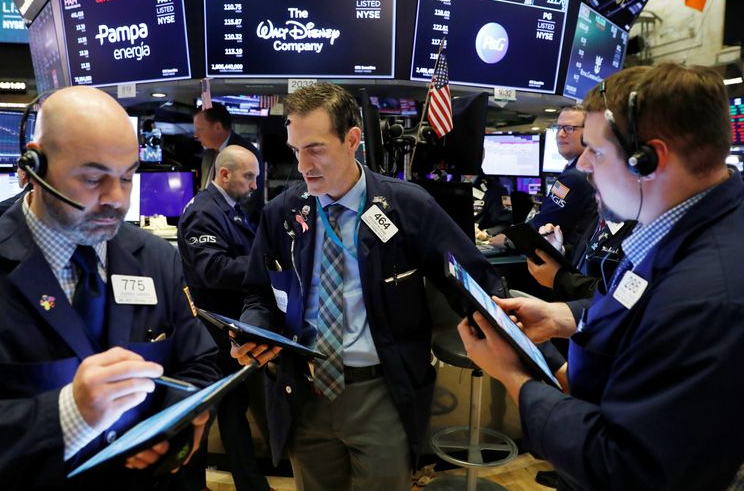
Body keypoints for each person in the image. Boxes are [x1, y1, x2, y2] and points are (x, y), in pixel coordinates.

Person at [458, 63, 744, 490]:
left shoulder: (707, 298)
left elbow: (626, 466)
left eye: (596, 150)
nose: (584, 164)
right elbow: (639, 302)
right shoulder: (677, 224)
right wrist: (564, 317)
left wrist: (514, 377)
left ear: (649, 159)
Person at [0, 86, 222, 491]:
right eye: (93, 178)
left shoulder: (157, 259)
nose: (116, 199)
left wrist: (178, 420)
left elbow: (198, 363)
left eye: (127, 177)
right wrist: (67, 415)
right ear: (35, 163)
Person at [230, 82, 504, 490]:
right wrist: (251, 328)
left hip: (381, 394)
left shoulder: (407, 205)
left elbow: (475, 282)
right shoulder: (282, 212)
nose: (304, 165)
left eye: (316, 148)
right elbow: (259, 292)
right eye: (295, 149)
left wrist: (512, 340)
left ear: (353, 140)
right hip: (303, 393)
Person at [177, 145, 271, 491]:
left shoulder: (228, 208)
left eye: (256, 177)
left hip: (228, 326)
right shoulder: (204, 211)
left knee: (232, 409)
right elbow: (213, 270)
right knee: (205, 415)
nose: (253, 185)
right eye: (248, 176)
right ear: (225, 174)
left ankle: (250, 484)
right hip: (211, 331)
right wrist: (266, 266)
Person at [489, 106, 597, 251]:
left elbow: (546, 222)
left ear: (590, 132)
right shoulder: (584, 170)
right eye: (558, 128)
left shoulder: (575, 176)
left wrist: (509, 239)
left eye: (569, 128)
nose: (560, 134)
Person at [194, 103, 265, 222]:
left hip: (239, 229)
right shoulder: (208, 155)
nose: (195, 135)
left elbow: (249, 201)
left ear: (217, 127)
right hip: (208, 224)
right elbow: (205, 191)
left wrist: (217, 223)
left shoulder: (247, 154)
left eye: (200, 129)